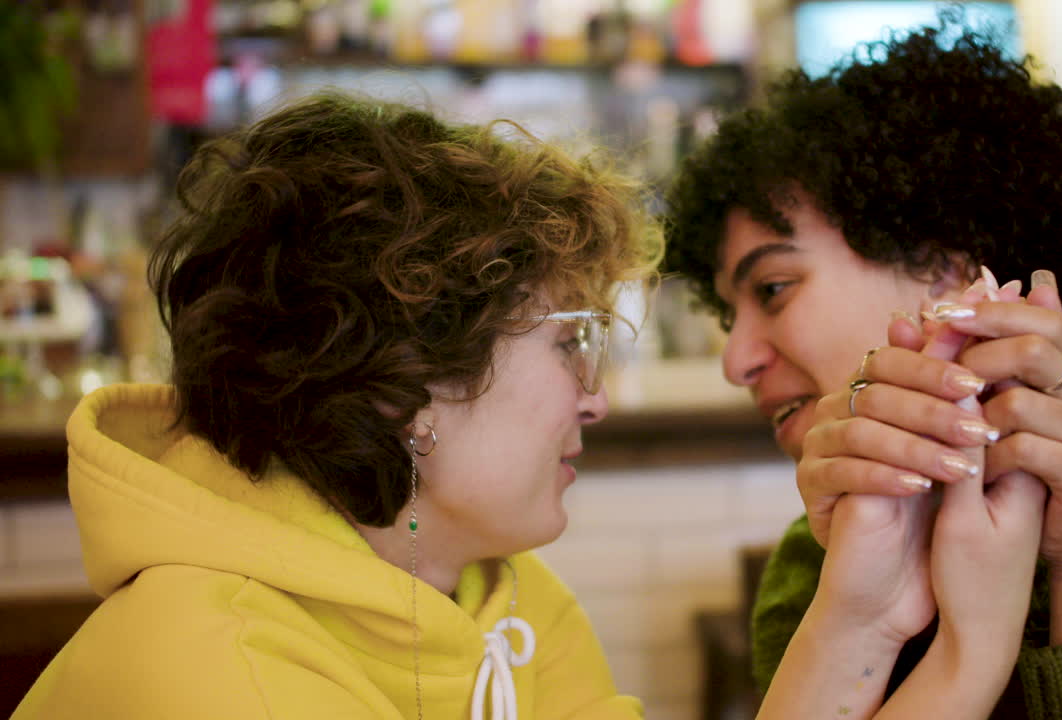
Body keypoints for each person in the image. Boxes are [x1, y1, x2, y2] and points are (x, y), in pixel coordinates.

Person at [663, 23, 1062, 720]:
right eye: (728, 312)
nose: (734, 359)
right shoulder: (816, 567)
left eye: (772, 288)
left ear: (953, 276)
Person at [14, 94, 662, 719]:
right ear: (403, 387)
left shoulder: (511, 597)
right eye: (569, 342)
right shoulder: (223, 675)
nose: (596, 399)